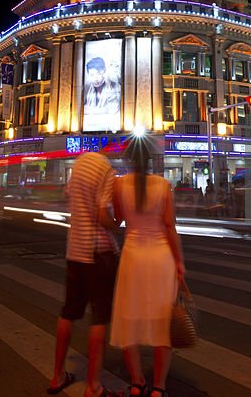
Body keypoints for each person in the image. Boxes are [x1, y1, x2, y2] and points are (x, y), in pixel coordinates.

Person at [110, 141, 184, 397]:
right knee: (163, 323)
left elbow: (117, 220)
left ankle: (137, 382)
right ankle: (159, 387)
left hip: (133, 257)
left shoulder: (119, 185)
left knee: (129, 320)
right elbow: (170, 227)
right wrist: (179, 262)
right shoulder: (162, 185)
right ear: (151, 160)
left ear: (129, 160)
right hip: (161, 258)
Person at [48, 152, 121, 397]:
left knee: (68, 312)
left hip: (75, 250)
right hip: (98, 251)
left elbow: (66, 194)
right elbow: (102, 214)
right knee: (99, 318)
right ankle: (93, 386)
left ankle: (57, 375)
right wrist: (118, 224)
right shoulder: (106, 169)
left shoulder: (79, 166)